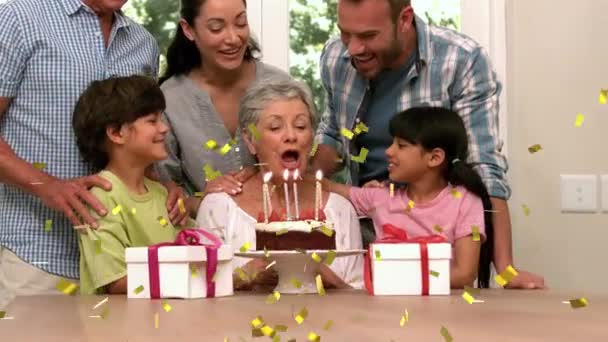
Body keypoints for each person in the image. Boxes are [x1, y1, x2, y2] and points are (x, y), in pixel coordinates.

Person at [313, 0, 544, 289]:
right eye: (345, 33)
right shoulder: (335, 57)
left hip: (434, 249)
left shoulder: (461, 60)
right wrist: (302, 176)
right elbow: (332, 135)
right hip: (364, 231)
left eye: (369, 36)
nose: (353, 49)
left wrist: (506, 268)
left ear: (405, 19)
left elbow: (484, 167)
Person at [0, 0, 185, 297]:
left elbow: (135, 134)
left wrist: (160, 185)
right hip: (39, 254)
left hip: (127, 266)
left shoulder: (143, 43)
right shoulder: (19, 18)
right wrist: (46, 185)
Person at [196, 78, 364, 291]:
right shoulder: (219, 208)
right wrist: (243, 277)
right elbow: (200, 290)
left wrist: (323, 276)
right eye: (275, 127)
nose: (291, 136)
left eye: (301, 126)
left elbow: (357, 297)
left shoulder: (340, 210)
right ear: (250, 140)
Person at [325, 107, 493, 288]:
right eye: (391, 143)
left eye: (401, 145)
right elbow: (325, 186)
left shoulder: (465, 201)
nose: (389, 151)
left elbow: (465, 274)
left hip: (446, 311)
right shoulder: (381, 197)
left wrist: (395, 281)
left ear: (435, 157)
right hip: (386, 310)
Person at [158, 0, 290, 215]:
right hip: (203, 240)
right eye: (216, 28)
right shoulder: (170, 99)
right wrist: (203, 200)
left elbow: (308, 164)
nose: (233, 38)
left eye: (241, 23)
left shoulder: (281, 87)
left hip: (282, 234)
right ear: (188, 29)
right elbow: (165, 192)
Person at [73, 75, 188, 295]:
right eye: (152, 121)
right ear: (116, 133)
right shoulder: (100, 198)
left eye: (161, 119)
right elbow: (115, 281)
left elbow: (197, 249)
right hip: (118, 327)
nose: (164, 128)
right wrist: (195, 275)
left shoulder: (165, 194)